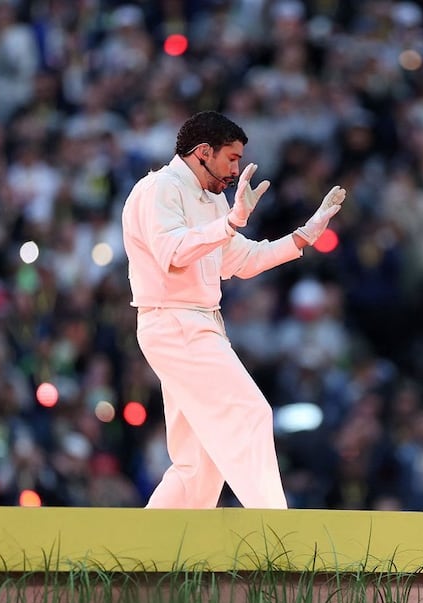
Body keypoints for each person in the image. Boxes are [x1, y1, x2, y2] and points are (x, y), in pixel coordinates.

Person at [121, 110, 345, 509]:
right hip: (174, 319)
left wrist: (302, 237)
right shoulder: (159, 188)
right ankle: (274, 534)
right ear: (203, 151)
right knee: (249, 413)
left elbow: (238, 260)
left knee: (199, 462)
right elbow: (172, 253)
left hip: (195, 323)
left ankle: (150, 557)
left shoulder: (212, 198)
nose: (235, 169)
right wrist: (229, 223)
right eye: (231, 158)